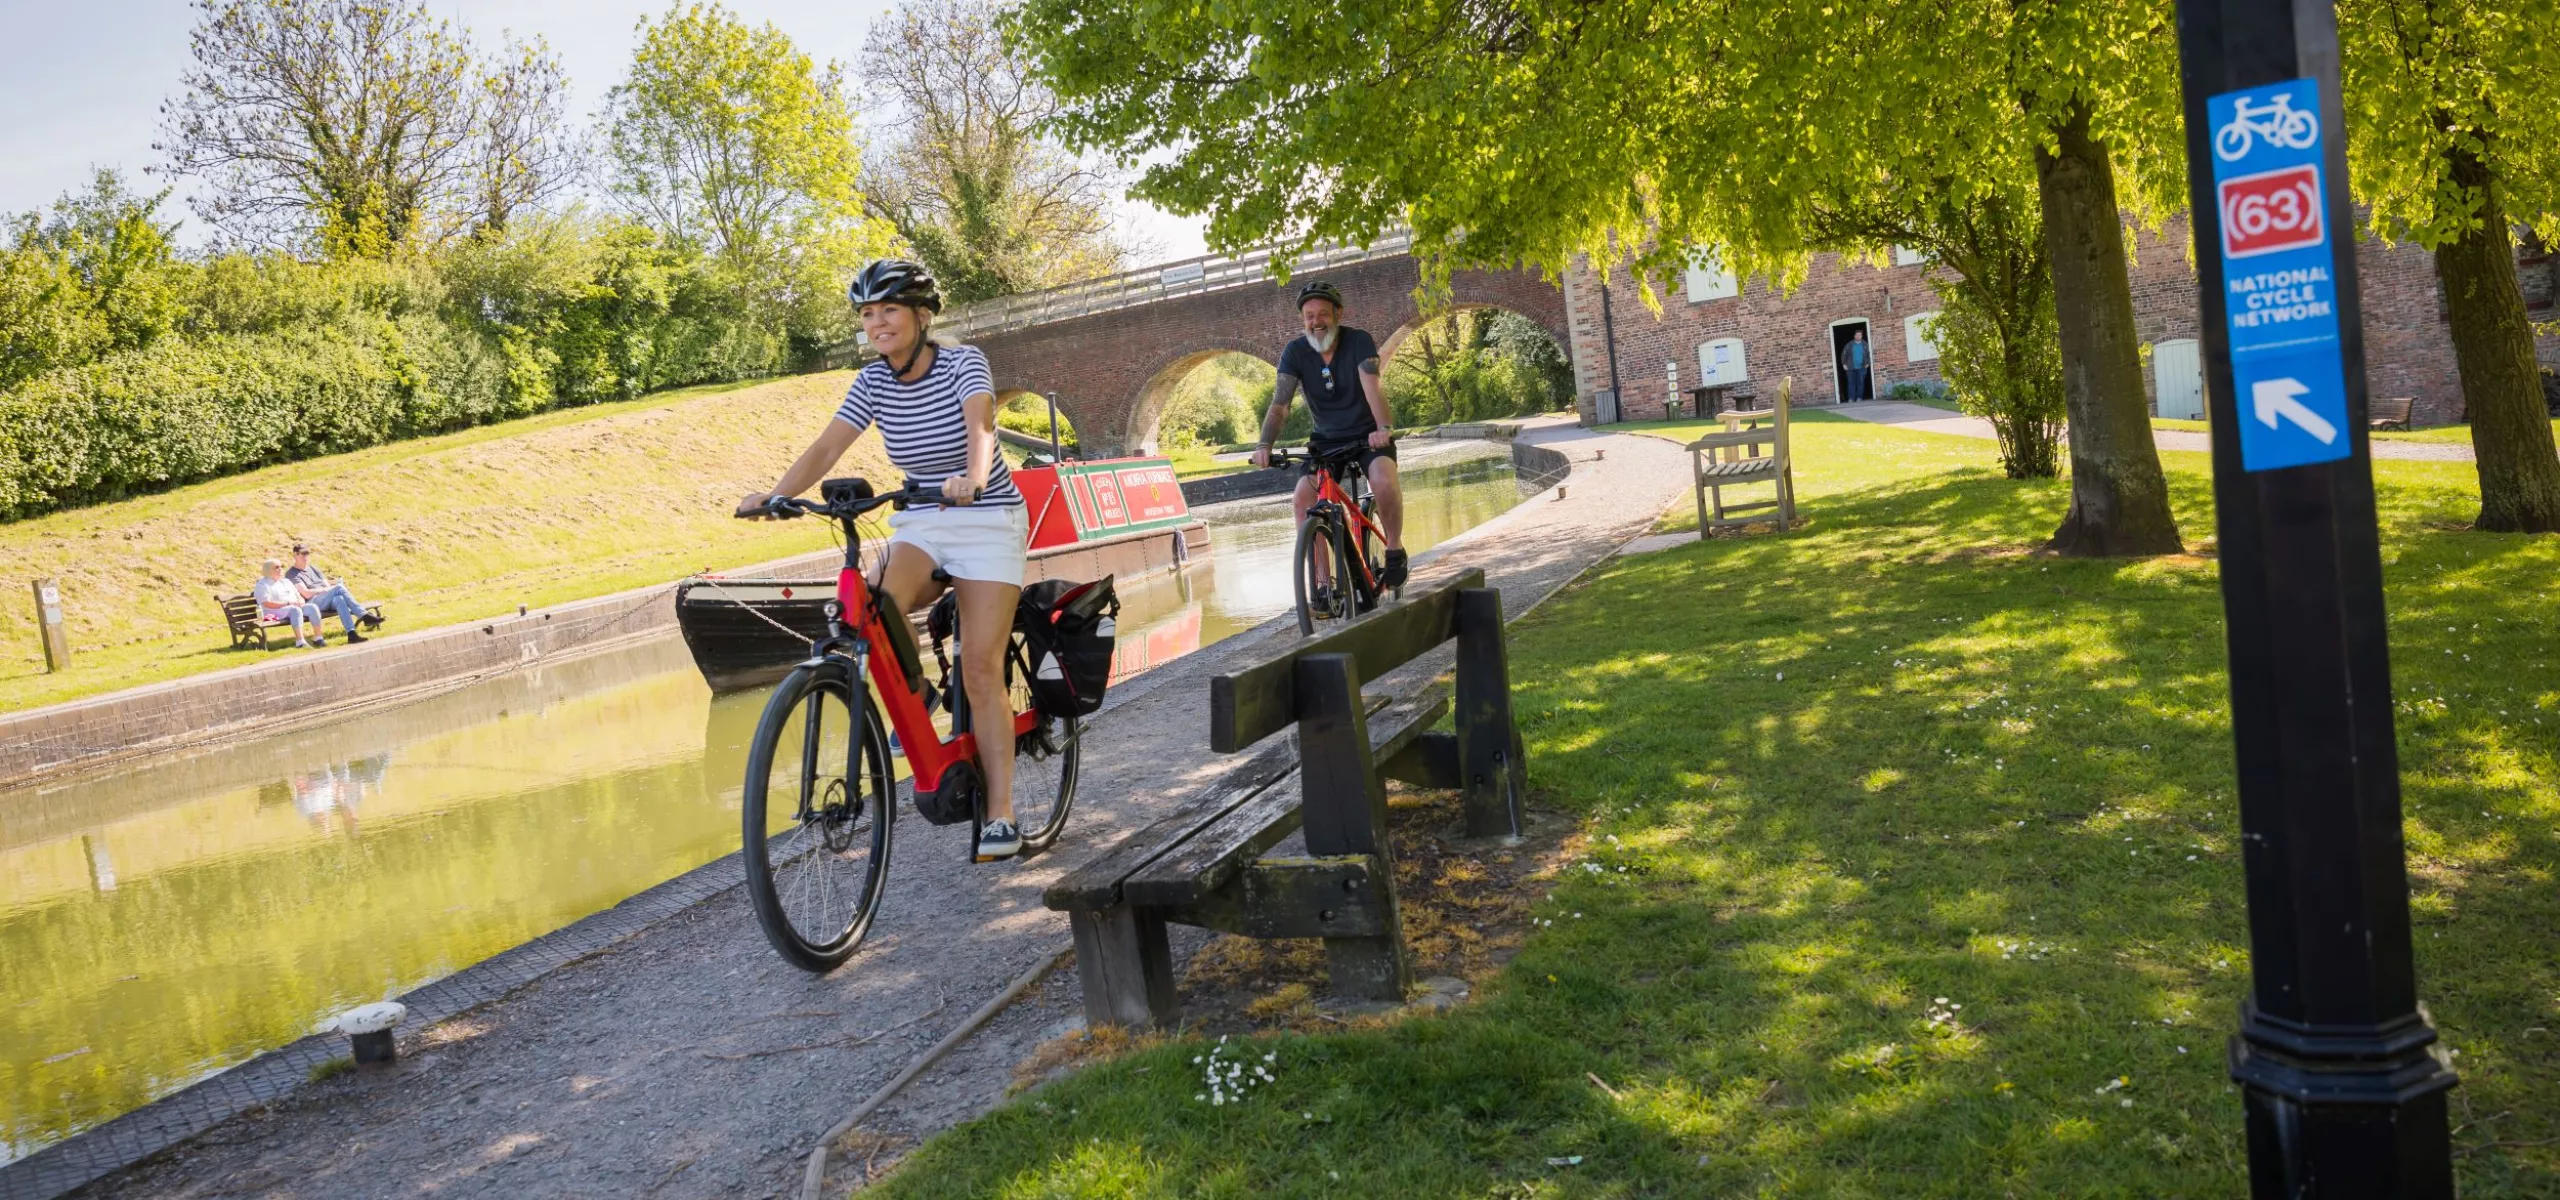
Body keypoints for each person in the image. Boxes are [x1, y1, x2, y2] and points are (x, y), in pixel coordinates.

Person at [735, 259, 1033, 862]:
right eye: (868, 314)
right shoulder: (871, 383)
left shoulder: (962, 361)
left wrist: (972, 479)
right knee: (871, 604)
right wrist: (777, 495)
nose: (877, 323)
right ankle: (918, 688)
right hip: (922, 519)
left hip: (986, 515)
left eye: (889, 310)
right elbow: (827, 445)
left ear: (922, 318)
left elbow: (982, 427)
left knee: (979, 668)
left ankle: (1001, 812)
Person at [1248, 280, 1406, 606]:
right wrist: (1264, 444)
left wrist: (1383, 428)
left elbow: (1372, 386)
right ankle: (1321, 583)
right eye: (1309, 316)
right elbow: (1280, 404)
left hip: (1367, 436)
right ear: (1303, 320)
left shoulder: (1359, 341)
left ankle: (1393, 548)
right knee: (1303, 499)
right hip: (1326, 442)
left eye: (1323, 313)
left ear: (1338, 314)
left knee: (1382, 480)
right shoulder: (1295, 352)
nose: (1316, 321)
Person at [285, 543, 376, 644]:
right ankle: (364, 615)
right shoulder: (292, 573)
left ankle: (351, 634)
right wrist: (324, 590)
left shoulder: (314, 568)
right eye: (302, 554)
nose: (305, 556)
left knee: (339, 599)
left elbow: (327, 585)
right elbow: (306, 593)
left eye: (307, 553)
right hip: (313, 602)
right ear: (295, 555)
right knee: (339, 588)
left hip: (325, 598)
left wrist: (329, 588)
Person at [253, 558, 326, 648]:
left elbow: (298, 595)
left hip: (291, 607)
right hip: (271, 612)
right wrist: (288, 603)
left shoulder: (286, 581)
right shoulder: (262, 585)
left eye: (281, 566)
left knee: (312, 607)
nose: (280, 569)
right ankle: (300, 642)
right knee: (294, 610)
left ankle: (318, 637)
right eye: (276, 567)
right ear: (268, 570)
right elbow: (266, 603)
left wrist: (301, 601)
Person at [1840, 329, 1872, 402]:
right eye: (1857, 335)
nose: (1858, 336)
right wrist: (1844, 364)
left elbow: (1868, 355)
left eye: (1859, 335)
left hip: (1862, 367)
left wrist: (1868, 363)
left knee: (1860, 383)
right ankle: (1851, 398)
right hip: (1850, 367)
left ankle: (1859, 397)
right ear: (1854, 336)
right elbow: (1843, 355)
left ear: (1861, 336)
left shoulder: (1865, 345)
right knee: (1851, 383)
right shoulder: (1849, 345)